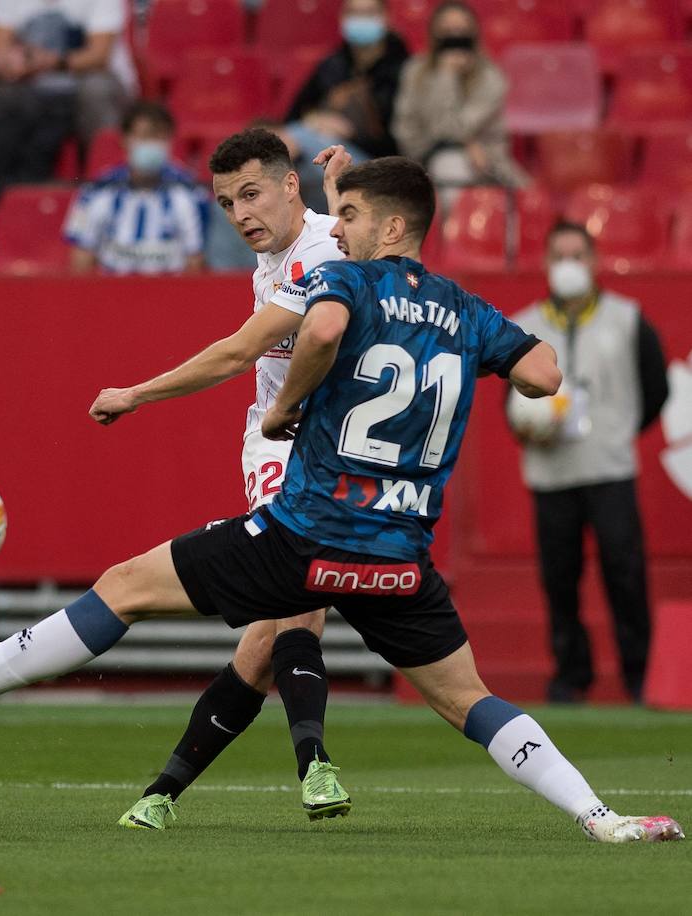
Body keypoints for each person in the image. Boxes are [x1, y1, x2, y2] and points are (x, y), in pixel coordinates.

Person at [0, 156, 685, 846]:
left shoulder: (342, 280)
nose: (336, 229)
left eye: (349, 215)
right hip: (397, 561)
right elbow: (543, 375)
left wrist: (282, 406)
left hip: (302, 538)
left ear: (393, 226)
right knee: (467, 699)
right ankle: (598, 815)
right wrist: (476, 357)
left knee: (126, 586)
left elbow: (327, 326)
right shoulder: (463, 311)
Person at [71, 128, 353, 827]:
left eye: (251, 194)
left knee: (265, 639)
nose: (240, 214)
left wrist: (136, 393)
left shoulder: (315, 251)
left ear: (290, 186)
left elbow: (237, 353)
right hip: (278, 447)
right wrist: (339, 195)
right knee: (295, 606)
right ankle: (314, 765)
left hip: (321, 446)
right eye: (227, 203)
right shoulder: (299, 240)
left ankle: (161, 794)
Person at [508, 221, 669, 704]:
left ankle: (639, 676)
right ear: (546, 263)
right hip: (550, 474)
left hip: (610, 470)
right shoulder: (525, 323)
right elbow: (510, 403)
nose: (569, 265)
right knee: (560, 579)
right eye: (560, 256)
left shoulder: (628, 318)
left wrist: (620, 431)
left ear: (595, 262)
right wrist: (529, 425)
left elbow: (656, 389)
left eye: (578, 255)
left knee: (626, 574)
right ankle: (570, 676)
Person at [0, 0, 136, 189]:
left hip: (84, 83)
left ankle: (106, 177)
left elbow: (99, 56)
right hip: (32, 88)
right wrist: (9, 64)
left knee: (96, 89)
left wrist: (50, 62)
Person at [391, 1, 526, 205]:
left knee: (451, 164)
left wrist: (448, 75)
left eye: (461, 30)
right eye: (446, 30)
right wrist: (465, 143)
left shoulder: (491, 78)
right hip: (422, 161)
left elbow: (452, 129)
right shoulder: (414, 72)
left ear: (474, 34)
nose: (454, 37)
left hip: (488, 166)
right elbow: (405, 130)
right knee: (449, 163)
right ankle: (453, 235)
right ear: (434, 34)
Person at [62, 100, 206, 276]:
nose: (153, 144)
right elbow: (82, 256)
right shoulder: (96, 190)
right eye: (145, 136)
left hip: (171, 294)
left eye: (160, 137)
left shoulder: (191, 192)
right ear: (125, 139)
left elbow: (195, 260)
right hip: (111, 294)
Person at [285, 0, 410, 160]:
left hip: (378, 163)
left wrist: (349, 134)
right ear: (342, 18)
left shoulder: (405, 69)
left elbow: (404, 139)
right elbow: (293, 115)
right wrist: (315, 120)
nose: (361, 20)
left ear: (386, 17)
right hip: (323, 148)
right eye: (354, 13)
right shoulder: (331, 65)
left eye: (369, 13)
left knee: (289, 144)